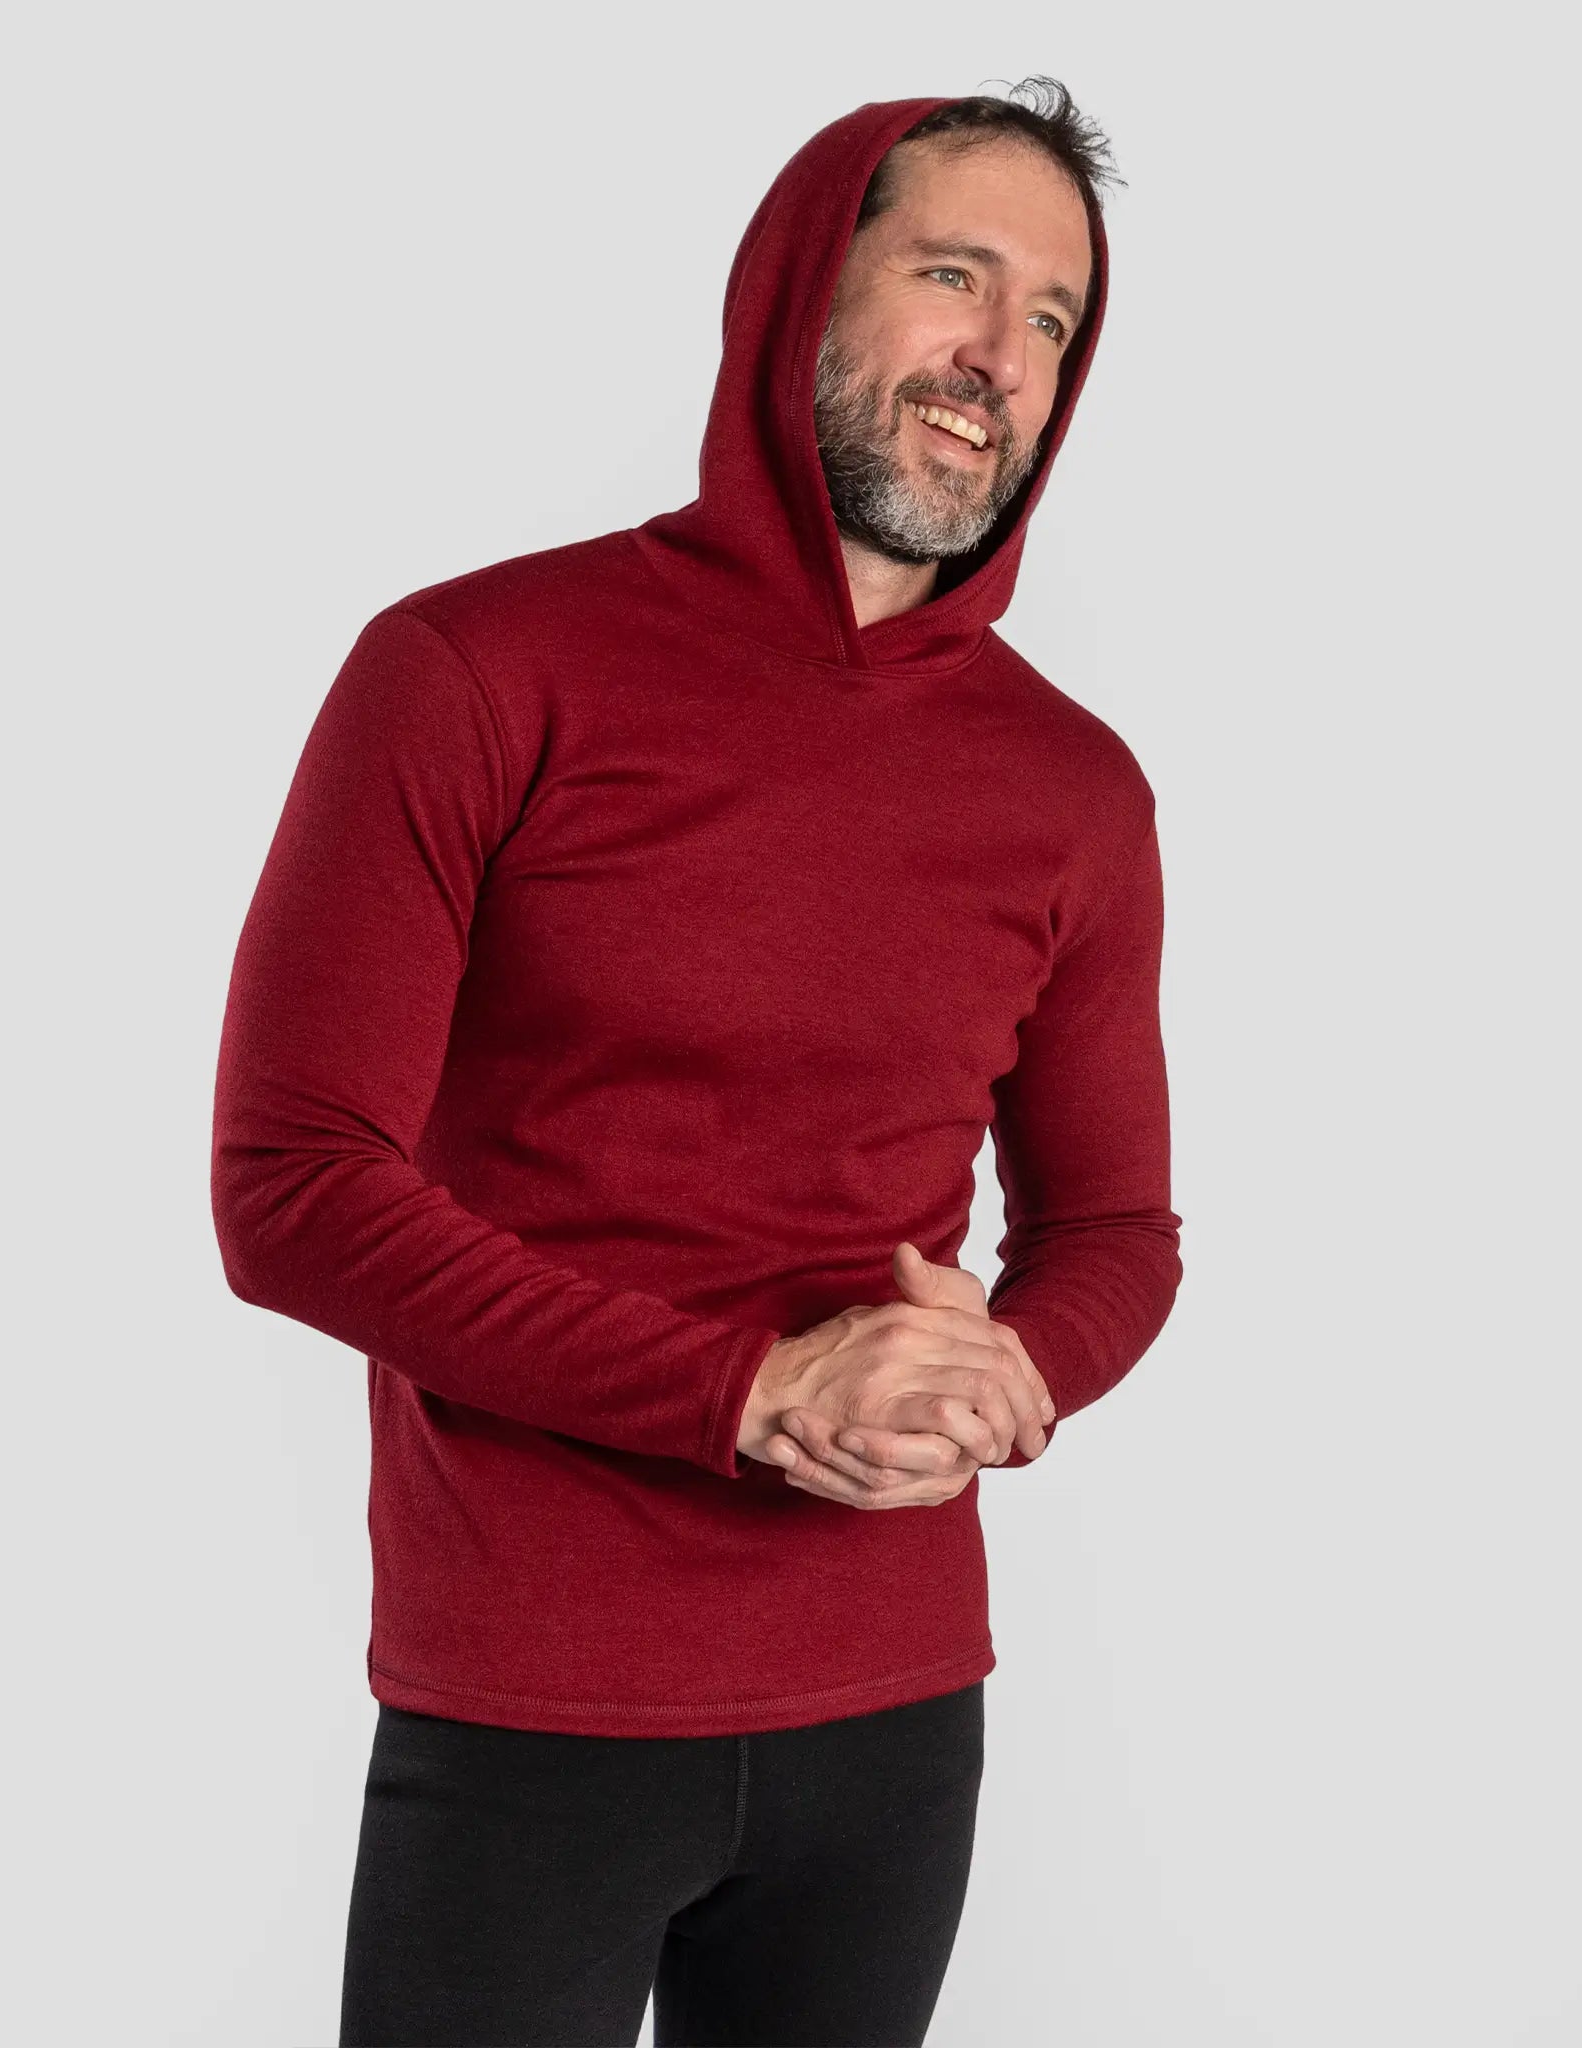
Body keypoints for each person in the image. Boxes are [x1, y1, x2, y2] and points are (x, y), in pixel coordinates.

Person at [211, 77, 1182, 2048]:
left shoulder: (1073, 786)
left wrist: (1018, 1370)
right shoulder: (477, 672)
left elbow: (1117, 1233)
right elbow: (292, 1185)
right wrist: (746, 1393)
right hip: (536, 1696)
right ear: (802, 288)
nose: (1002, 356)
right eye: (954, 275)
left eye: (1054, 317)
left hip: (895, 1708)